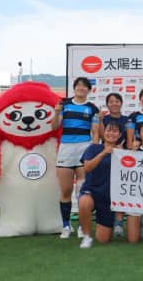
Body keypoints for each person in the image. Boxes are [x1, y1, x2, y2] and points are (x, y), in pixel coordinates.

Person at [53, 77, 100, 239]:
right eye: (78, 85)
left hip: (83, 149)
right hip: (66, 150)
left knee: (82, 190)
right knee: (66, 191)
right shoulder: (64, 104)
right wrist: (56, 112)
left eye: (84, 86)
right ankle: (66, 226)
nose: (81, 88)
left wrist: (93, 151)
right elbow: (54, 126)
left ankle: (81, 225)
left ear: (89, 90)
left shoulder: (92, 108)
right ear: (74, 88)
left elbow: (95, 132)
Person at [77, 121, 122, 249]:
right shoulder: (94, 148)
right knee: (84, 202)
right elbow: (87, 167)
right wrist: (103, 153)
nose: (111, 133)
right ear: (104, 132)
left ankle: (107, 222)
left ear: (119, 135)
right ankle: (86, 236)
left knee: (103, 239)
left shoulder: (122, 152)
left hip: (108, 197)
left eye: (115, 131)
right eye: (109, 130)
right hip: (91, 190)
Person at [98, 92, 128, 237]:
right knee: (107, 188)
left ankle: (119, 222)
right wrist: (99, 121)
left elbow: (130, 139)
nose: (114, 104)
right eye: (111, 101)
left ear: (121, 103)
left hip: (123, 158)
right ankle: (105, 218)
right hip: (106, 155)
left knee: (121, 188)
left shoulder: (127, 120)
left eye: (117, 101)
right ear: (107, 104)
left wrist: (124, 150)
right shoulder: (103, 119)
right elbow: (100, 137)